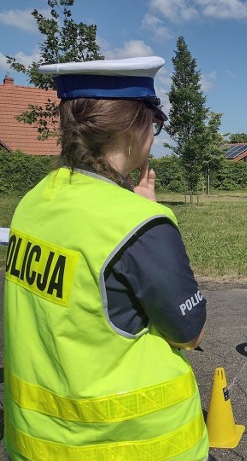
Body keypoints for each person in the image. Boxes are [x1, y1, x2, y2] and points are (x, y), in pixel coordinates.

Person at [3, 57, 210, 460]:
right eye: (155, 122)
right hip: (136, 445)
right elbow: (190, 333)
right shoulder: (140, 223)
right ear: (137, 126)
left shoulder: (34, 201)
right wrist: (143, 210)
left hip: (35, 444)